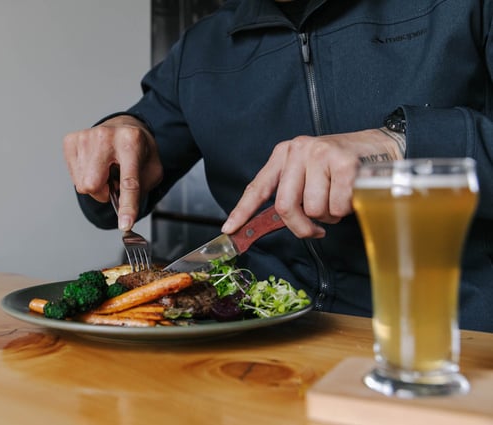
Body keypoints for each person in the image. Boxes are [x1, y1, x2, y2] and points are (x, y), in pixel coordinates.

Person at [63, 0, 493, 332]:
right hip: (260, 343)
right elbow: (106, 201)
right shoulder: (202, 48)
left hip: (457, 340)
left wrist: (401, 145)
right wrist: (118, 140)